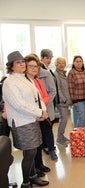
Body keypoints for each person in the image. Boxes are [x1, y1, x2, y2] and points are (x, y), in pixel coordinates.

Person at [3, 51, 49, 188]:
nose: (22, 64)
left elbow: (37, 96)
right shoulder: (10, 82)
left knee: (33, 150)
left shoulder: (25, 78)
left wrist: (42, 112)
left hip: (31, 119)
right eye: (18, 62)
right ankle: (26, 182)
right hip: (21, 122)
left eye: (23, 61)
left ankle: (32, 176)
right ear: (11, 66)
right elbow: (19, 104)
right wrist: (39, 112)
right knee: (29, 153)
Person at [39, 51, 58, 161]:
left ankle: (50, 149)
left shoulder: (46, 72)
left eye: (50, 57)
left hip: (47, 104)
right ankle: (45, 147)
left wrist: (45, 103)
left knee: (48, 128)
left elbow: (52, 90)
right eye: (47, 57)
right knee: (43, 129)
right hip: (37, 109)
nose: (49, 60)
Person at [67, 55, 85, 126]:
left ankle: (78, 133)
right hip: (78, 99)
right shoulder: (71, 72)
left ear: (82, 63)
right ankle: (80, 134)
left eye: (80, 61)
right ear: (73, 63)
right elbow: (70, 87)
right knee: (82, 117)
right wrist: (74, 100)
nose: (78, 63)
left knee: (84, 116)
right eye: (76, 61)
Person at [54, 57, 72, 146]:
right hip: (62, 101)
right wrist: (64, 99)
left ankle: (61, 137)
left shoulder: (63, 74)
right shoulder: (56, 75)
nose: (61, 65)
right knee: (63, 119)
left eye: (63, 63)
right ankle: (59, 139)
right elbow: (58, 89)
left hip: (65, 101)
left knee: (64, 119)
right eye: (59, 63)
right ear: (56, 64)